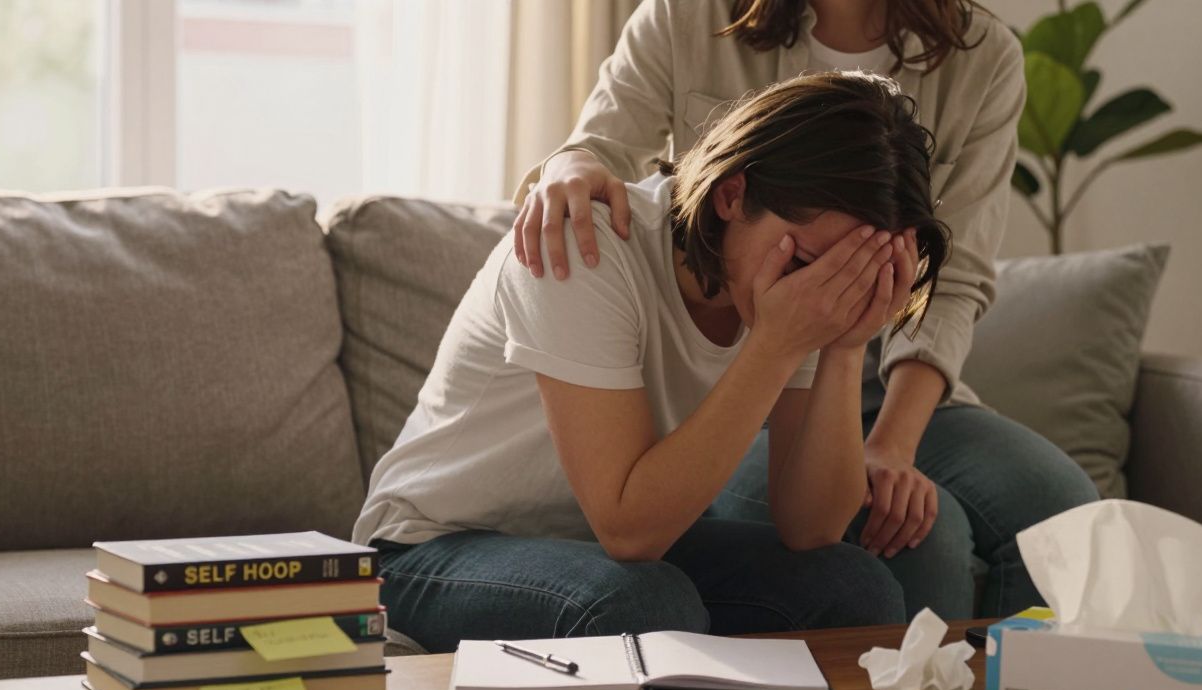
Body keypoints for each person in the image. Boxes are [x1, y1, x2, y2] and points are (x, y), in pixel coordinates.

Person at [511, 0, 1100, 620]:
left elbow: (955, 280)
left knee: (1064, 506)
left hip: (888, 366)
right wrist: (569, 165)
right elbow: (597, 152)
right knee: (926, 536)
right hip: (759, 360)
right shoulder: (688, 15)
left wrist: (891, 443)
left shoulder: (982, 53)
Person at [354, 71, 950, 652]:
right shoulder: (585, 243)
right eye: (809, 266)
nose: (824, 295)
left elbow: (811, 528)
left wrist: (844, 346)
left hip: (605, 554)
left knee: (853, 588)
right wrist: (776, 344)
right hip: (427, 553)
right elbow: (629, 528)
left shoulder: (787, 287)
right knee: (643, 605)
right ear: (732, 194)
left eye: (849, 277)